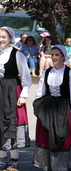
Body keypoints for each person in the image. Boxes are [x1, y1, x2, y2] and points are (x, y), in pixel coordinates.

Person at [33, 45, 71, 171]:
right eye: (52, 55)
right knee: (48, 137)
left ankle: (62, 166)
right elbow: (40, 92)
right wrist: (39, 109)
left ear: (63, 56)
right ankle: (49, 166)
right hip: (48, 110)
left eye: (57, 55)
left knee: (63, 138)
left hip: (64, 109)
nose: (54, 57)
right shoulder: (46, 72)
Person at [0, 26, 32, 171]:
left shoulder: (17, 55)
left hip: (12, 91)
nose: (1, 40)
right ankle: (1, 159)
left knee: (12, 124)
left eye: (4, 37)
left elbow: (26, 78)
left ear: (11, 39)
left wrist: (24, 95)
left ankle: (14, 160)